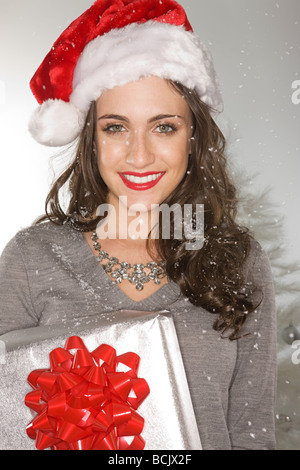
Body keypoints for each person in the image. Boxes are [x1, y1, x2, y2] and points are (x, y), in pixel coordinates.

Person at [0, 0, 277, 450]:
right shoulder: (32, 258)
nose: (139, 155)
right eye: (115, 127)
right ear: (91, 138)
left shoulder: (240, 261)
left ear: (194, 135)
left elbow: (251, 431)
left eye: (164, 127)